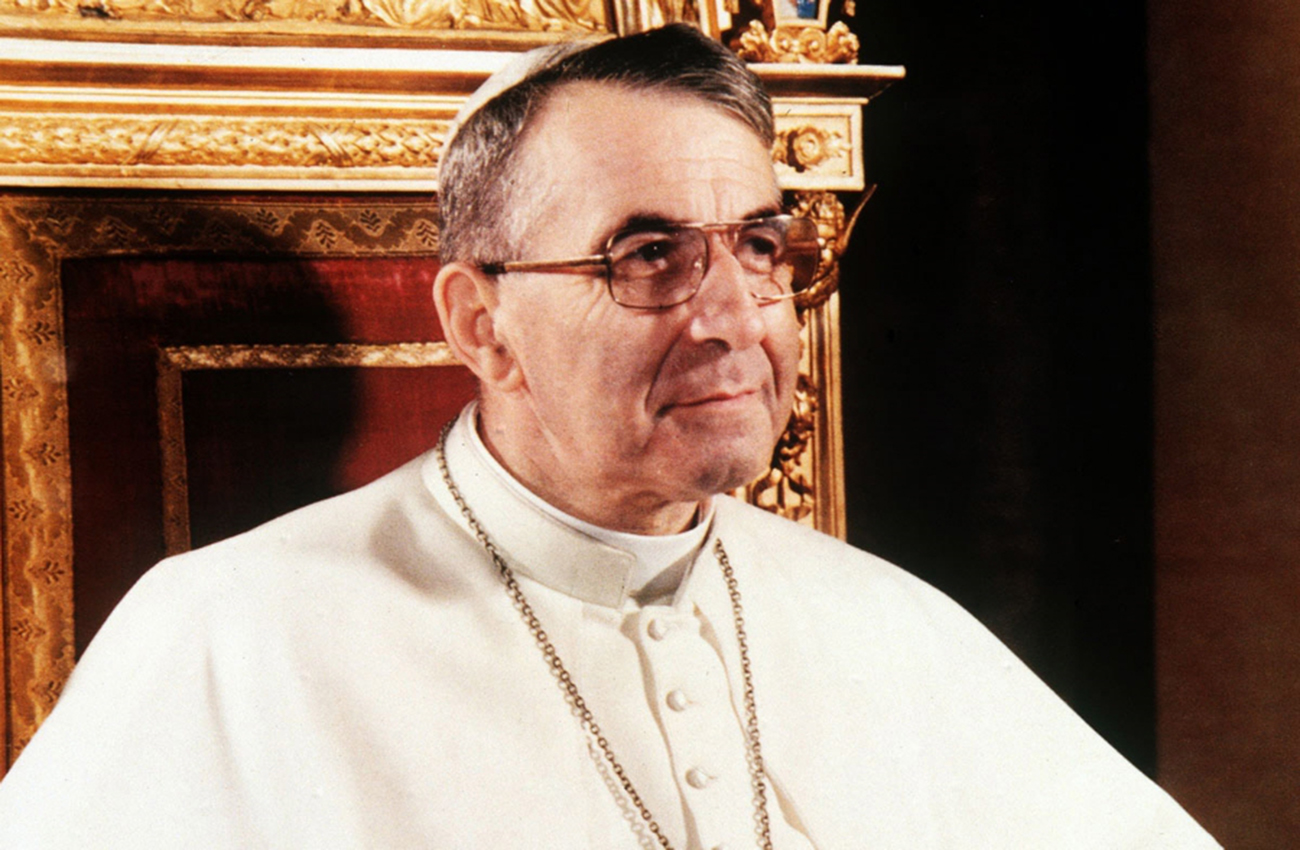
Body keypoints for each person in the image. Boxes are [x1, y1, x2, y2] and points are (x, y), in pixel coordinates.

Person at [0, 24, 1218, 850]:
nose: (737, 319)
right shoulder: (230, 633)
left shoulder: (881, 621)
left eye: (756, 245)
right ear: (482, 322)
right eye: (650, 257)